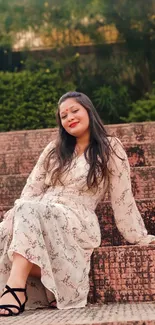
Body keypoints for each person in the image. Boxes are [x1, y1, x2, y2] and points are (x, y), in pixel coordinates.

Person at [0, 91, 155, 317]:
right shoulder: (54, 149)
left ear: (88, 111)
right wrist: (15, 218)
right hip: (40, 212)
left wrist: (138, 236)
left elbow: (123, 198)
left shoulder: (110, 148)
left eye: (74, 111)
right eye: (63, 115)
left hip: (77, 218)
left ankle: (15, 289)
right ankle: (48, 285)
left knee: (26, 209)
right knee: (9, 224)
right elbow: (31, 190)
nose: (69, 117)